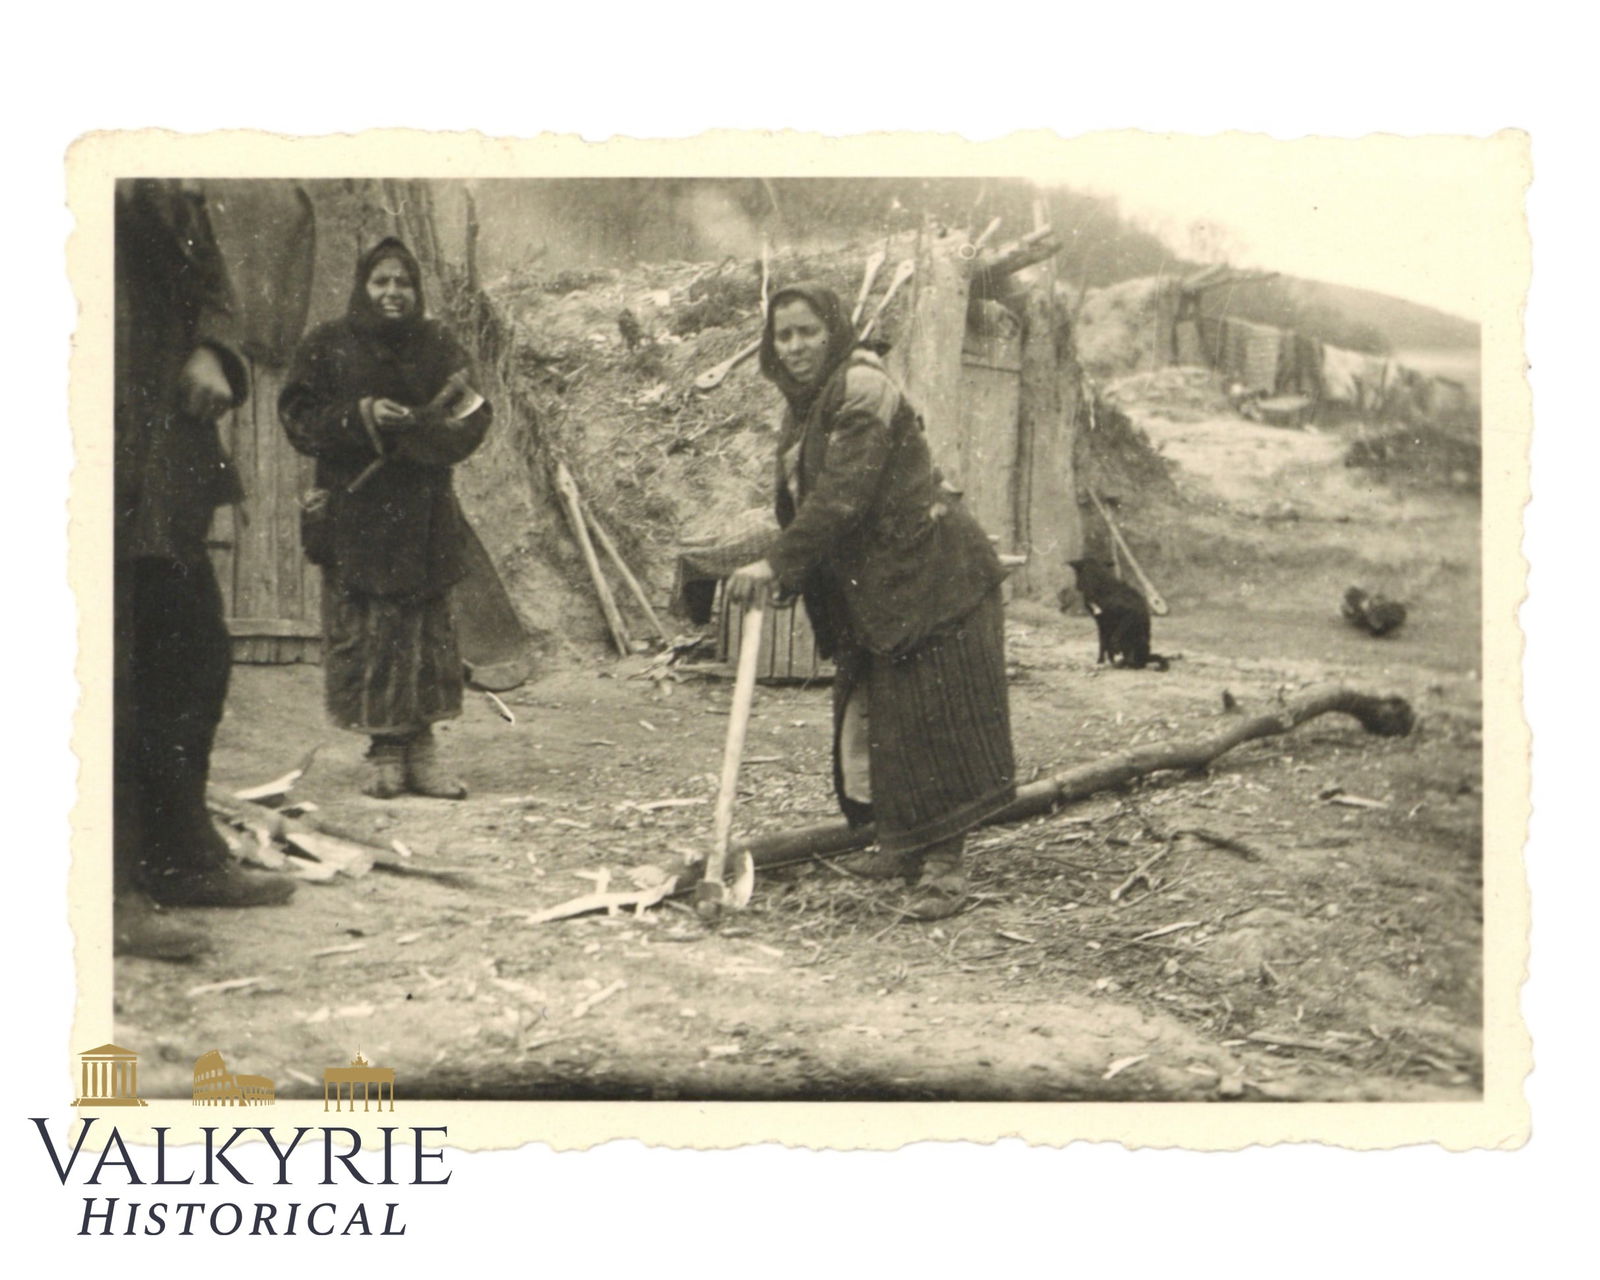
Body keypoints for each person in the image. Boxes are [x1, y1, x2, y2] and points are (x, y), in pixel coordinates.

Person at [725, 283, 1016, 920]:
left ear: (834, 331)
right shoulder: (806, 406)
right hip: (882, 585)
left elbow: (843, 495)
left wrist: (777, 562)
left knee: (932, 720)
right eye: (783, 335)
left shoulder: (862, 387)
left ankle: (944, 871)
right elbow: (808, 504)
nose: (795, 347)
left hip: (934, 576)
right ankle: (900, 845)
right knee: (878, 718)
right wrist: (792, 572)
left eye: (808, 332)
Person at [114, 179, 297, 961]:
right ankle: (101, 887)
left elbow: (211, 275)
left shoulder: (167, 184)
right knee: (103, 675)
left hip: (159, 454)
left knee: (191, 655)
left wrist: (215, 347)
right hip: (91, 443)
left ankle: (178, 854)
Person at [279, 238, 491, 799]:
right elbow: (297, 418)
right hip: (356, 510)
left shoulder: (440, 346)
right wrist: (362, 415)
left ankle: (422, 751)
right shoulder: (327, 344)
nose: (393, 293)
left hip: (423, 511)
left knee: (425, 631)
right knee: (370, 630)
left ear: (416, 290)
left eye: (404, 283)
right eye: (381, 282)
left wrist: (422, 429)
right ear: (363, 287)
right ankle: (384, 750)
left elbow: (474, 417)